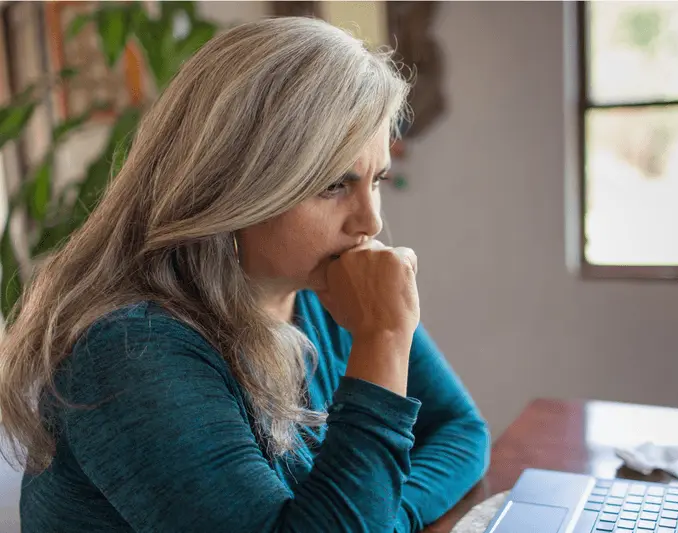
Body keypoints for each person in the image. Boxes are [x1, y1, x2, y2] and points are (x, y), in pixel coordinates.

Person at [0, 16, 490, 533]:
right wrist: (383, 338)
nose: (370, 222)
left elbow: (460, 430)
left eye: (377, 180)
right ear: (235, 185)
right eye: (333, 186)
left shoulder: (328, 286)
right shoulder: (131, 351)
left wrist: (387, 516)